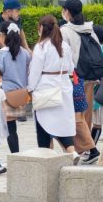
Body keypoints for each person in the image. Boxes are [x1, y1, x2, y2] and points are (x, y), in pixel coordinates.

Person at [59, 0, 103, 164]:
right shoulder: (89, 29)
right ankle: (87, 150)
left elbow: (62, 54)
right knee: (86, 113)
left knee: (75, 115)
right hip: (90, 77)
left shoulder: (65, 31)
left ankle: (82, 149)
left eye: (63, 9)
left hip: (75, 78)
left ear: (68, 12)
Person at [29, 15, 78, 158]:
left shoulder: (41, 47)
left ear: (42, 28)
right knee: (62, 124)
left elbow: (35, 71)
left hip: (46, 86)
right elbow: (70, 68)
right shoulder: (64, 46)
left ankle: (46, 156)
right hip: (63, 85)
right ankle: (71, 151)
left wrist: (30, 88)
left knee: (43, 123)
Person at [0, 21, 32, 154]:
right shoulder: (25, 53)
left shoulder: (0, 54)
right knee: (12, 129)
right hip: (20, 96)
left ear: (3, 35)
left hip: (4, 95)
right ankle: (16, 156)